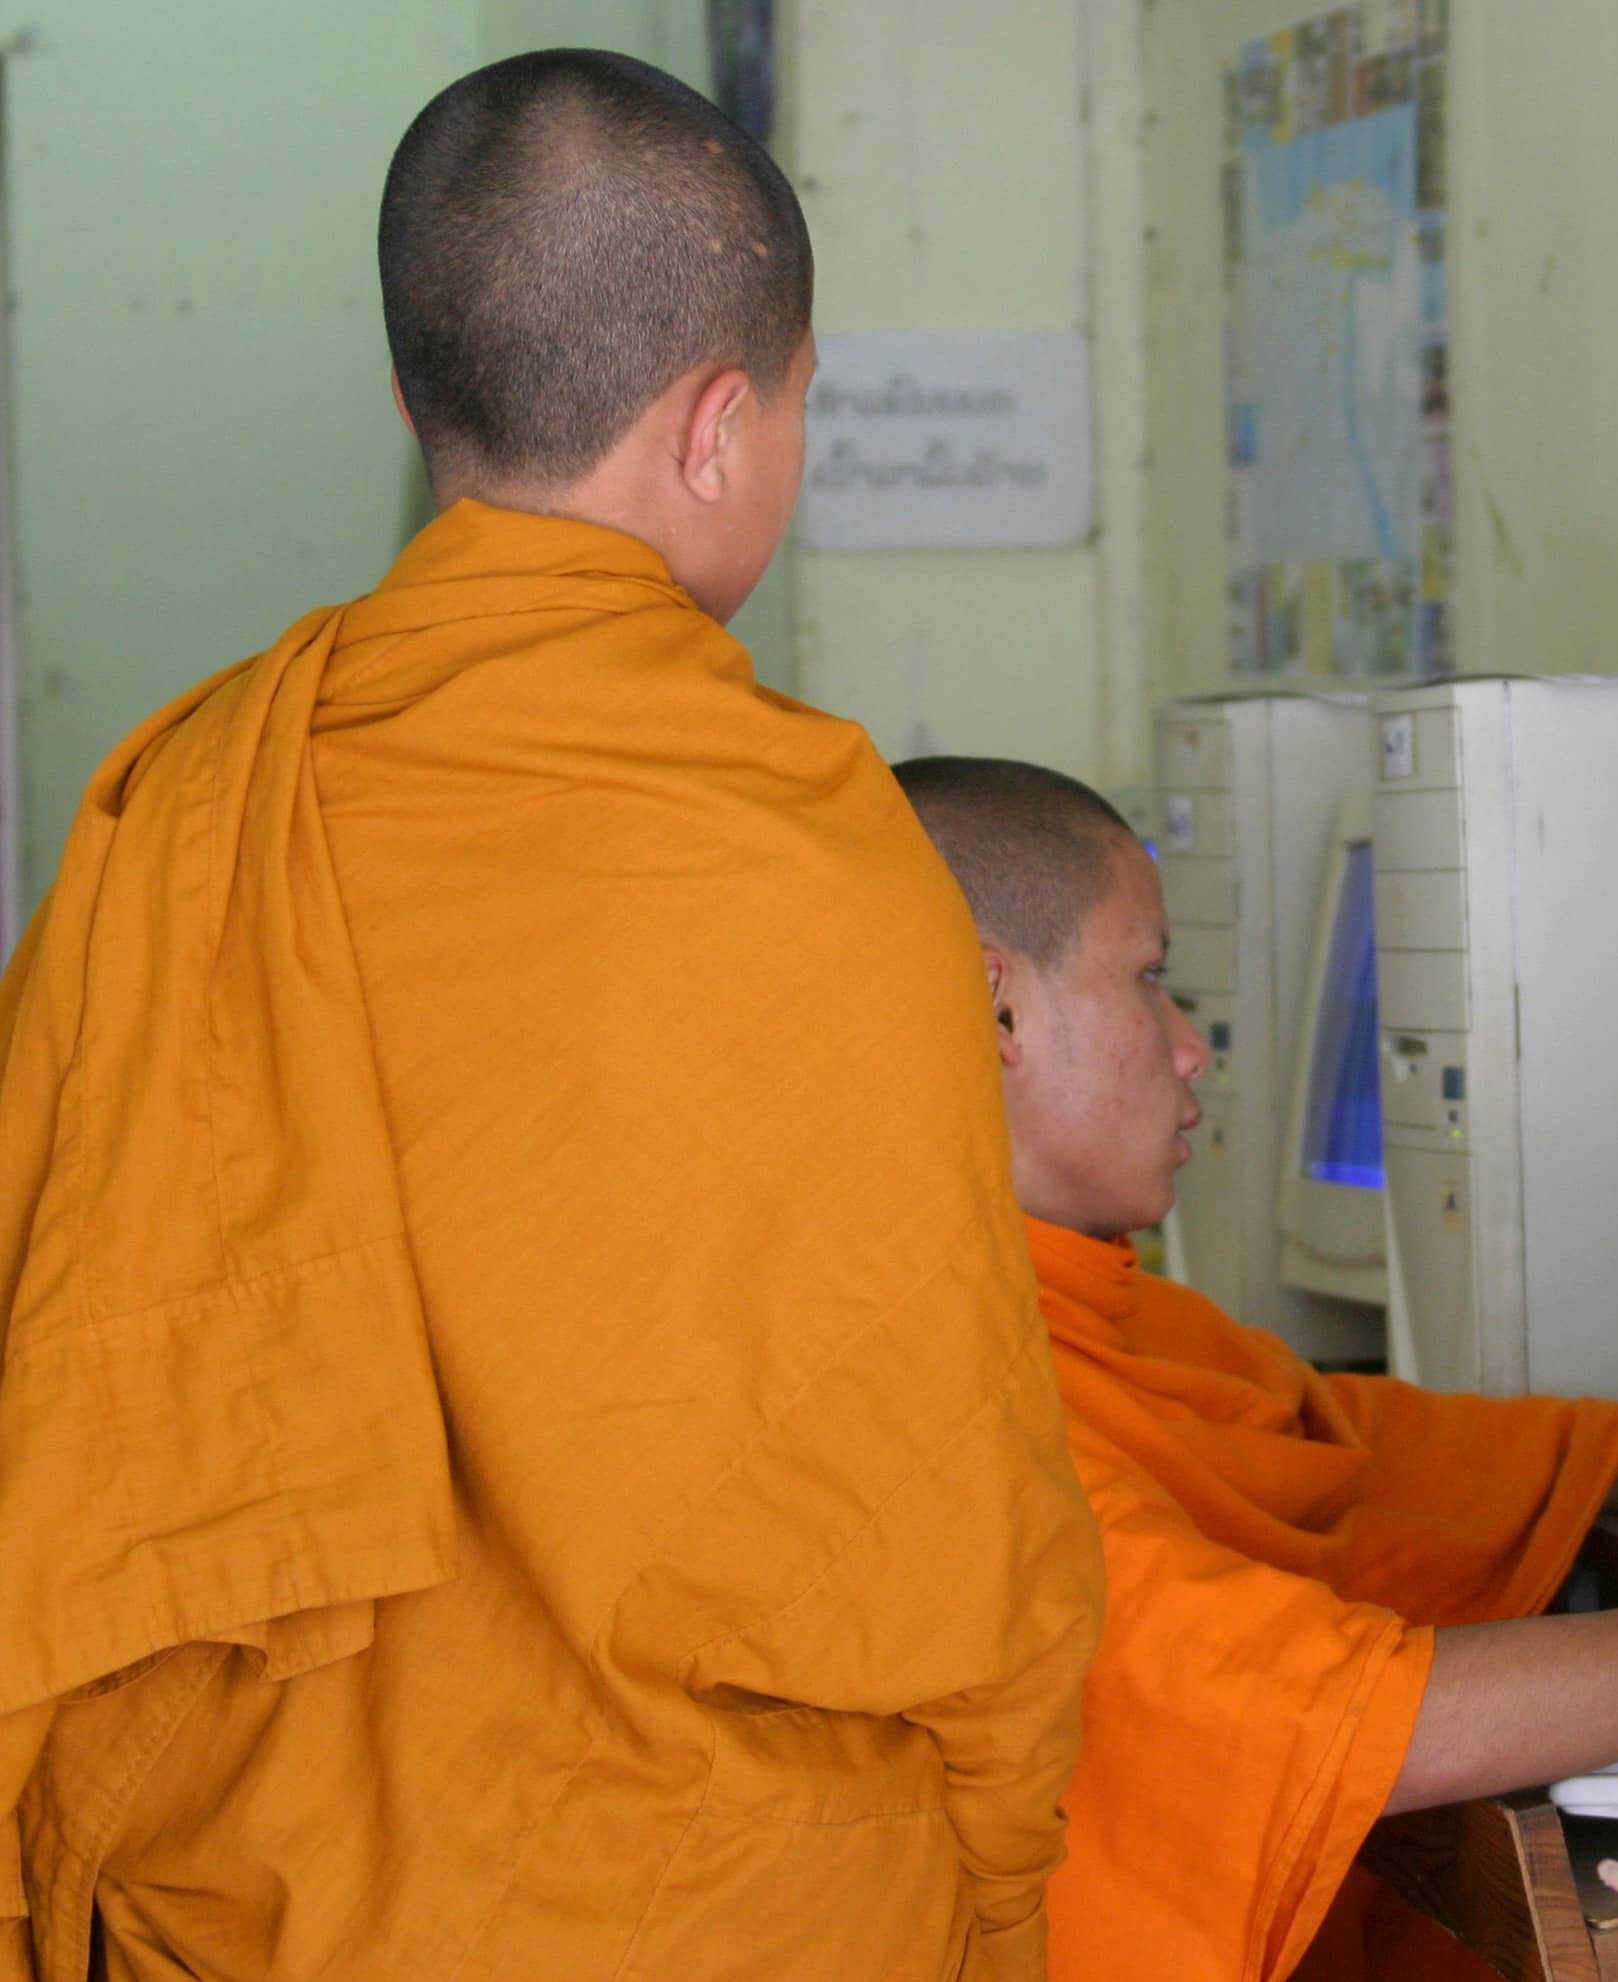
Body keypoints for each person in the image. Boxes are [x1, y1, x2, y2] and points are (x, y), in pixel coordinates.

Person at [0, 53, 1101, 1981]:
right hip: (728, 1913)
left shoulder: (181, 806)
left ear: (413, 397)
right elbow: (939, 1518)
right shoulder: (817, 862)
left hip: (254, 1909)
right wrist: (1002, 1888)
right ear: (719, 424)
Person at [893, 757, 1618, 1982]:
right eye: (1149, 978)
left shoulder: (1069, 1309)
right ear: (995, 1006)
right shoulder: (953, 1404)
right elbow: (1373, 1723)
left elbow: (1372, 1449)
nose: (1191, 1049)